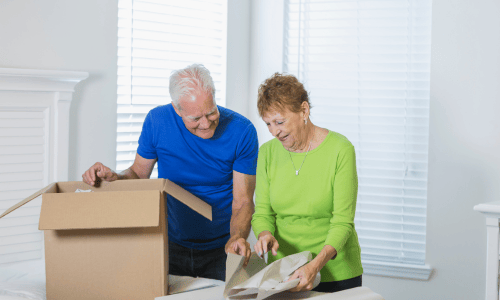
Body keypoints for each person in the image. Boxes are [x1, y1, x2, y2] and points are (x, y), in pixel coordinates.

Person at [82, 64, 258, 281]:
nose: (206, 123)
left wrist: (237, 238)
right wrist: (114, 177)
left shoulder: (242, 131)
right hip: (170, 243)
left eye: (211, 112)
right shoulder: (157, 121)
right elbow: (137, 175)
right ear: (177, 109)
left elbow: (243, 201)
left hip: (222, 247)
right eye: (195, 119)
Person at [251, 73, 363, 293]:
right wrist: (264, 234)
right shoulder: (267, 153)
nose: (275, 132)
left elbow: (342, 221)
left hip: (336, 271)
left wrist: (315, 265)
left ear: (304, 110)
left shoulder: (340, 150)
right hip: (284, 272)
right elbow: (263, 212)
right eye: (268, 124)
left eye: (280, 122)